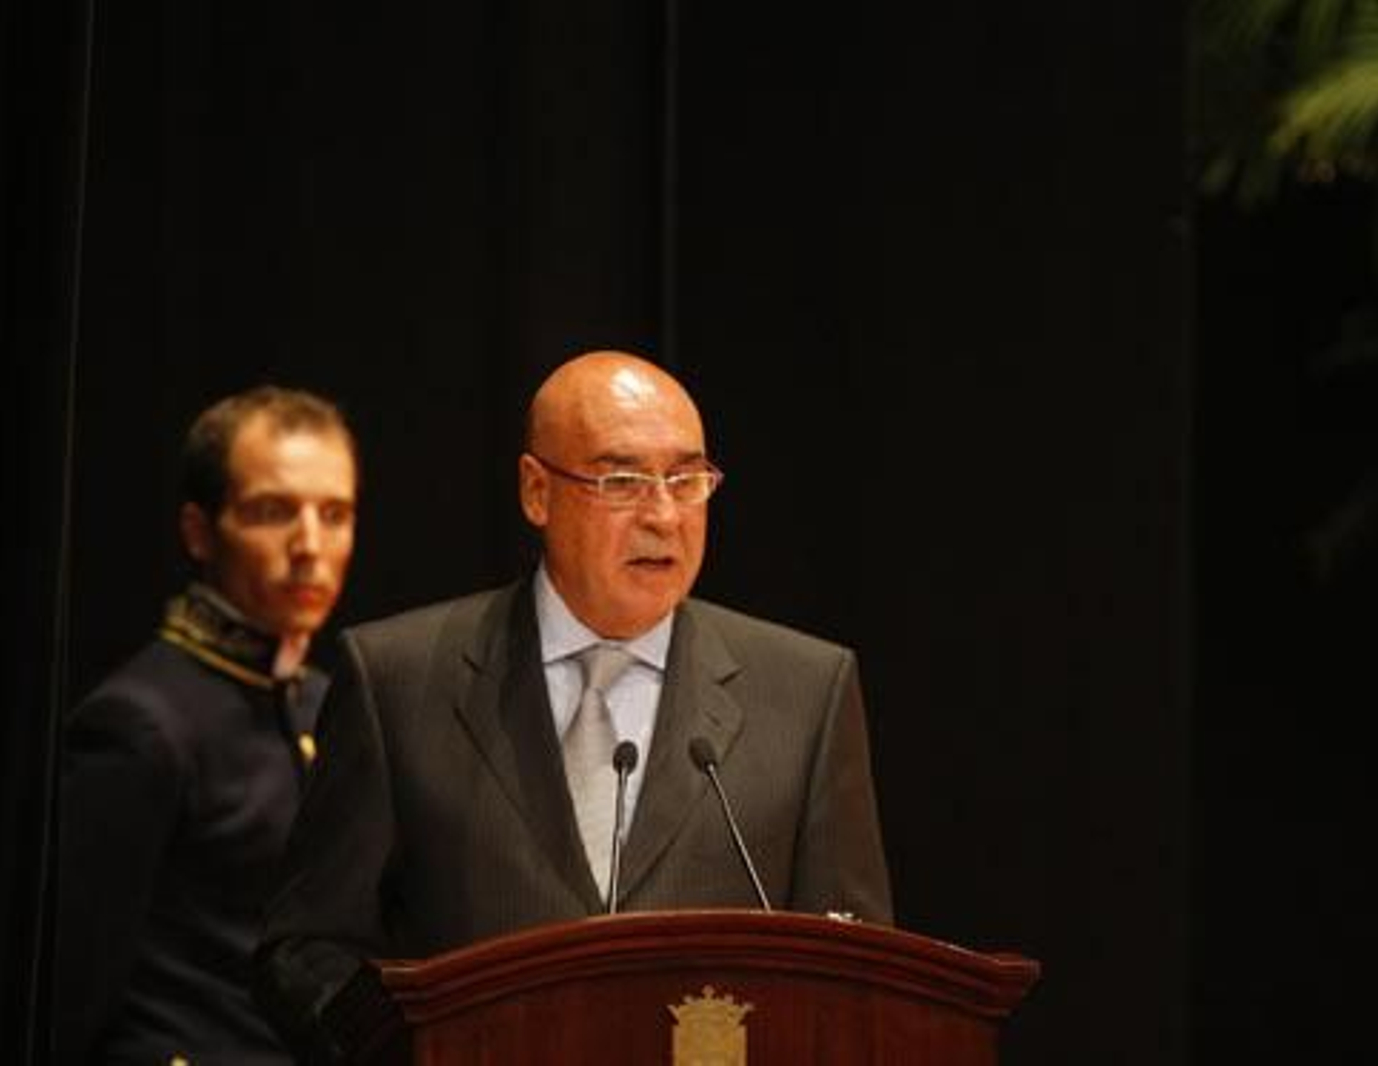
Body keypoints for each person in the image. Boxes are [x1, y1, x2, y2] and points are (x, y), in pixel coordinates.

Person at [254, 351, 892, 1063]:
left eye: (687, 480)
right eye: (622, 481)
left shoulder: (806, 691)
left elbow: (860, 981)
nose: (663, 515)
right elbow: (307, 950)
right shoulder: (397, 680)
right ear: (537, 491)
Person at [54, 386, 359, 1065]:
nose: (310, 546)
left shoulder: (327, 703)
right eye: (273, 512)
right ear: (200, 531)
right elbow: (72, 995)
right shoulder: (139, 722)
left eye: (334, 514)